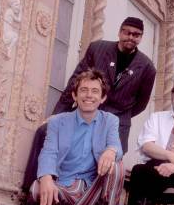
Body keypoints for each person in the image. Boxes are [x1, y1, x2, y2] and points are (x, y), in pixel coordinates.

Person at [23, 17, 156, 189]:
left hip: (117, 121)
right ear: (120, 32)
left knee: (113, 163)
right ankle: (30, 190)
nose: (131, 37)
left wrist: (119, 115)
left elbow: (141, 104)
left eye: (136, 35)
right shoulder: (98, 49)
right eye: (127, 32)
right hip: (84, 112)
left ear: (141, 37)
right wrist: (57, 115)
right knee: (44, 132)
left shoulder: (147, 67)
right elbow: (75, 83)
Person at [30, 69, 124, 205]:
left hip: (95, 189)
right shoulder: (57, 121)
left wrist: (110, 151)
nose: (89, 95)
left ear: (103, 98)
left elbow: (116, 146)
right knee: (36, 188)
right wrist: (46, 178)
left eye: (95, 91)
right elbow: (49, 152)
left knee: (117, 166)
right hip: (65, 186)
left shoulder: (110, 120)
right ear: (75, 95)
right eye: (84, 90)